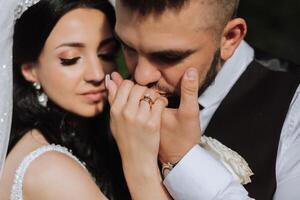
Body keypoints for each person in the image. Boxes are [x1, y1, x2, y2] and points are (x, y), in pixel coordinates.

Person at [110, 0, 300, 199]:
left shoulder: (292, 106)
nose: (141, 75)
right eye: (127, 47)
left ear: (229, 38)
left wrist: (183, 160)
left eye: (169, 56)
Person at [0, 0, 171, 199]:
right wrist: (140, 163)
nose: (97, 74)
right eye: (70, 59)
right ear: (30, 70)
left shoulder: (80, 139)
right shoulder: (50, 170)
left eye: (106, 55)